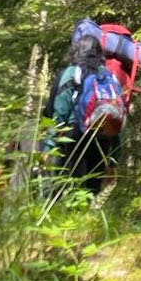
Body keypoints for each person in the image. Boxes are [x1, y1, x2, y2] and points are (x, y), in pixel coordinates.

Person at [43, 31, 124, 193]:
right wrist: (113, 159)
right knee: (92, 188)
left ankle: (62, 211)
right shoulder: (110, 77)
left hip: (74, 135)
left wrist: (49, 146)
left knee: (69, 185)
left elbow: (60, 112)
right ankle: (88, 216)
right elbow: (117, 118)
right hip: (103, 136)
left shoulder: (72, 73)